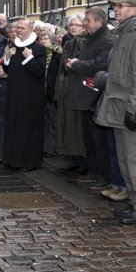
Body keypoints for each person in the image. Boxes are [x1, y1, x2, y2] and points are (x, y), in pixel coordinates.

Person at [97, 0, 136, 225]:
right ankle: (135, 202)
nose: (116, 10)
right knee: (124, 161)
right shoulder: (123, 34)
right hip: (119, 108)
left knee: (135, 162)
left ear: (133, 9)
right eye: (115, 6)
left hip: (133, 110)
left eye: (120, 6)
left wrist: (133, 110)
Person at [65, 7, 114, 190]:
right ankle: (95, 171)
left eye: (88, 20)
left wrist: (77, 64)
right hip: (86, 96)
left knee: (98, 139)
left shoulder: (107, 40)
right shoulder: (90, 39)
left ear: (99, 21)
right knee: (90, 138)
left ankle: (104, 174)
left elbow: (100, 64)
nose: (85, 23)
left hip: (95, 97)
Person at [1, 17, 48, 171]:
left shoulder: (39, 48)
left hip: (30, 98)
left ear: (30, 30)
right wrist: (7, 58)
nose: (17, 31)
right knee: (13, 127)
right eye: (16, 28)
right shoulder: (14, 46)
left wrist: (29, 58)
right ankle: (11, 159)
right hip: (14, 96)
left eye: (21, 28)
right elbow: (9, 71)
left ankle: (28, 162)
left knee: (27, 129)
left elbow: (40, 71)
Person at [55, 13, 88, 175]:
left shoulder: (84, 43)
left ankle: (82, 161)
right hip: (66, 89)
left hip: (78, 90)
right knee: (68, 125)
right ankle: (74, 159)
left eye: (78, 25)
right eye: (72, 25)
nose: (74, 27)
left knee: (77, 127)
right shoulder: (68, 43)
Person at [36, 22, 61, 158]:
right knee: (42, 121)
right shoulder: (38, 54)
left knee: (52, 122)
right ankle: (44, 147)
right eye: (42, 39)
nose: (44, 41)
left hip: (51, 92)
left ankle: (52, 148)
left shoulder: (58, 53)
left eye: (47, 39)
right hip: (40, 92)